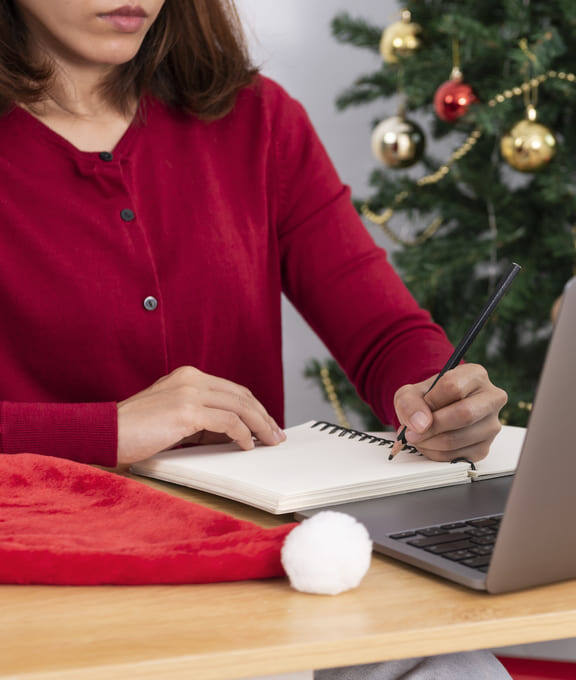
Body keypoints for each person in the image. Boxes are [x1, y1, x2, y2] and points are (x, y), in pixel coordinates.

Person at [0, 1, 510, 678]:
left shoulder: (257, 120)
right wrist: (112, 430)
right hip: (49, 601)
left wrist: (437, 393)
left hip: (263, 579)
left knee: (458, 669)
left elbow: (385, 331)